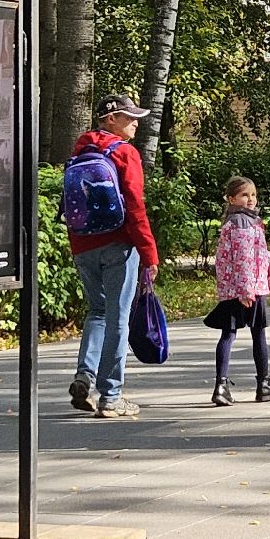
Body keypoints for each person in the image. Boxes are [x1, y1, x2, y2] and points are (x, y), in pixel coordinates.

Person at [67, 94, 161, 418]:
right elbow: (135, 207)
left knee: (96, 311)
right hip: (118, 247)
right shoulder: (125, 154)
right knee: (117, 318)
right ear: (110, 120)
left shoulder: (81, 149)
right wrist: (149, 253)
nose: (135, 122)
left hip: (82, 245)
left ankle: (85, 376)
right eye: (128, 117)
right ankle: (111, 396)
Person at [204, 176, 270, 406]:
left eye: (253, 195)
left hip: (237, 288)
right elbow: (243, 259)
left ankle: (221, 386)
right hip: (248, 289)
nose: (250, 199)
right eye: (244, 195)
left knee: (229, 334)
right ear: (231, 198)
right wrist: (246, 290)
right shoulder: (242, 223)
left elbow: (256, 255)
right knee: (257, 333)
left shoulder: (243, 222)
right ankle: (262, 383)